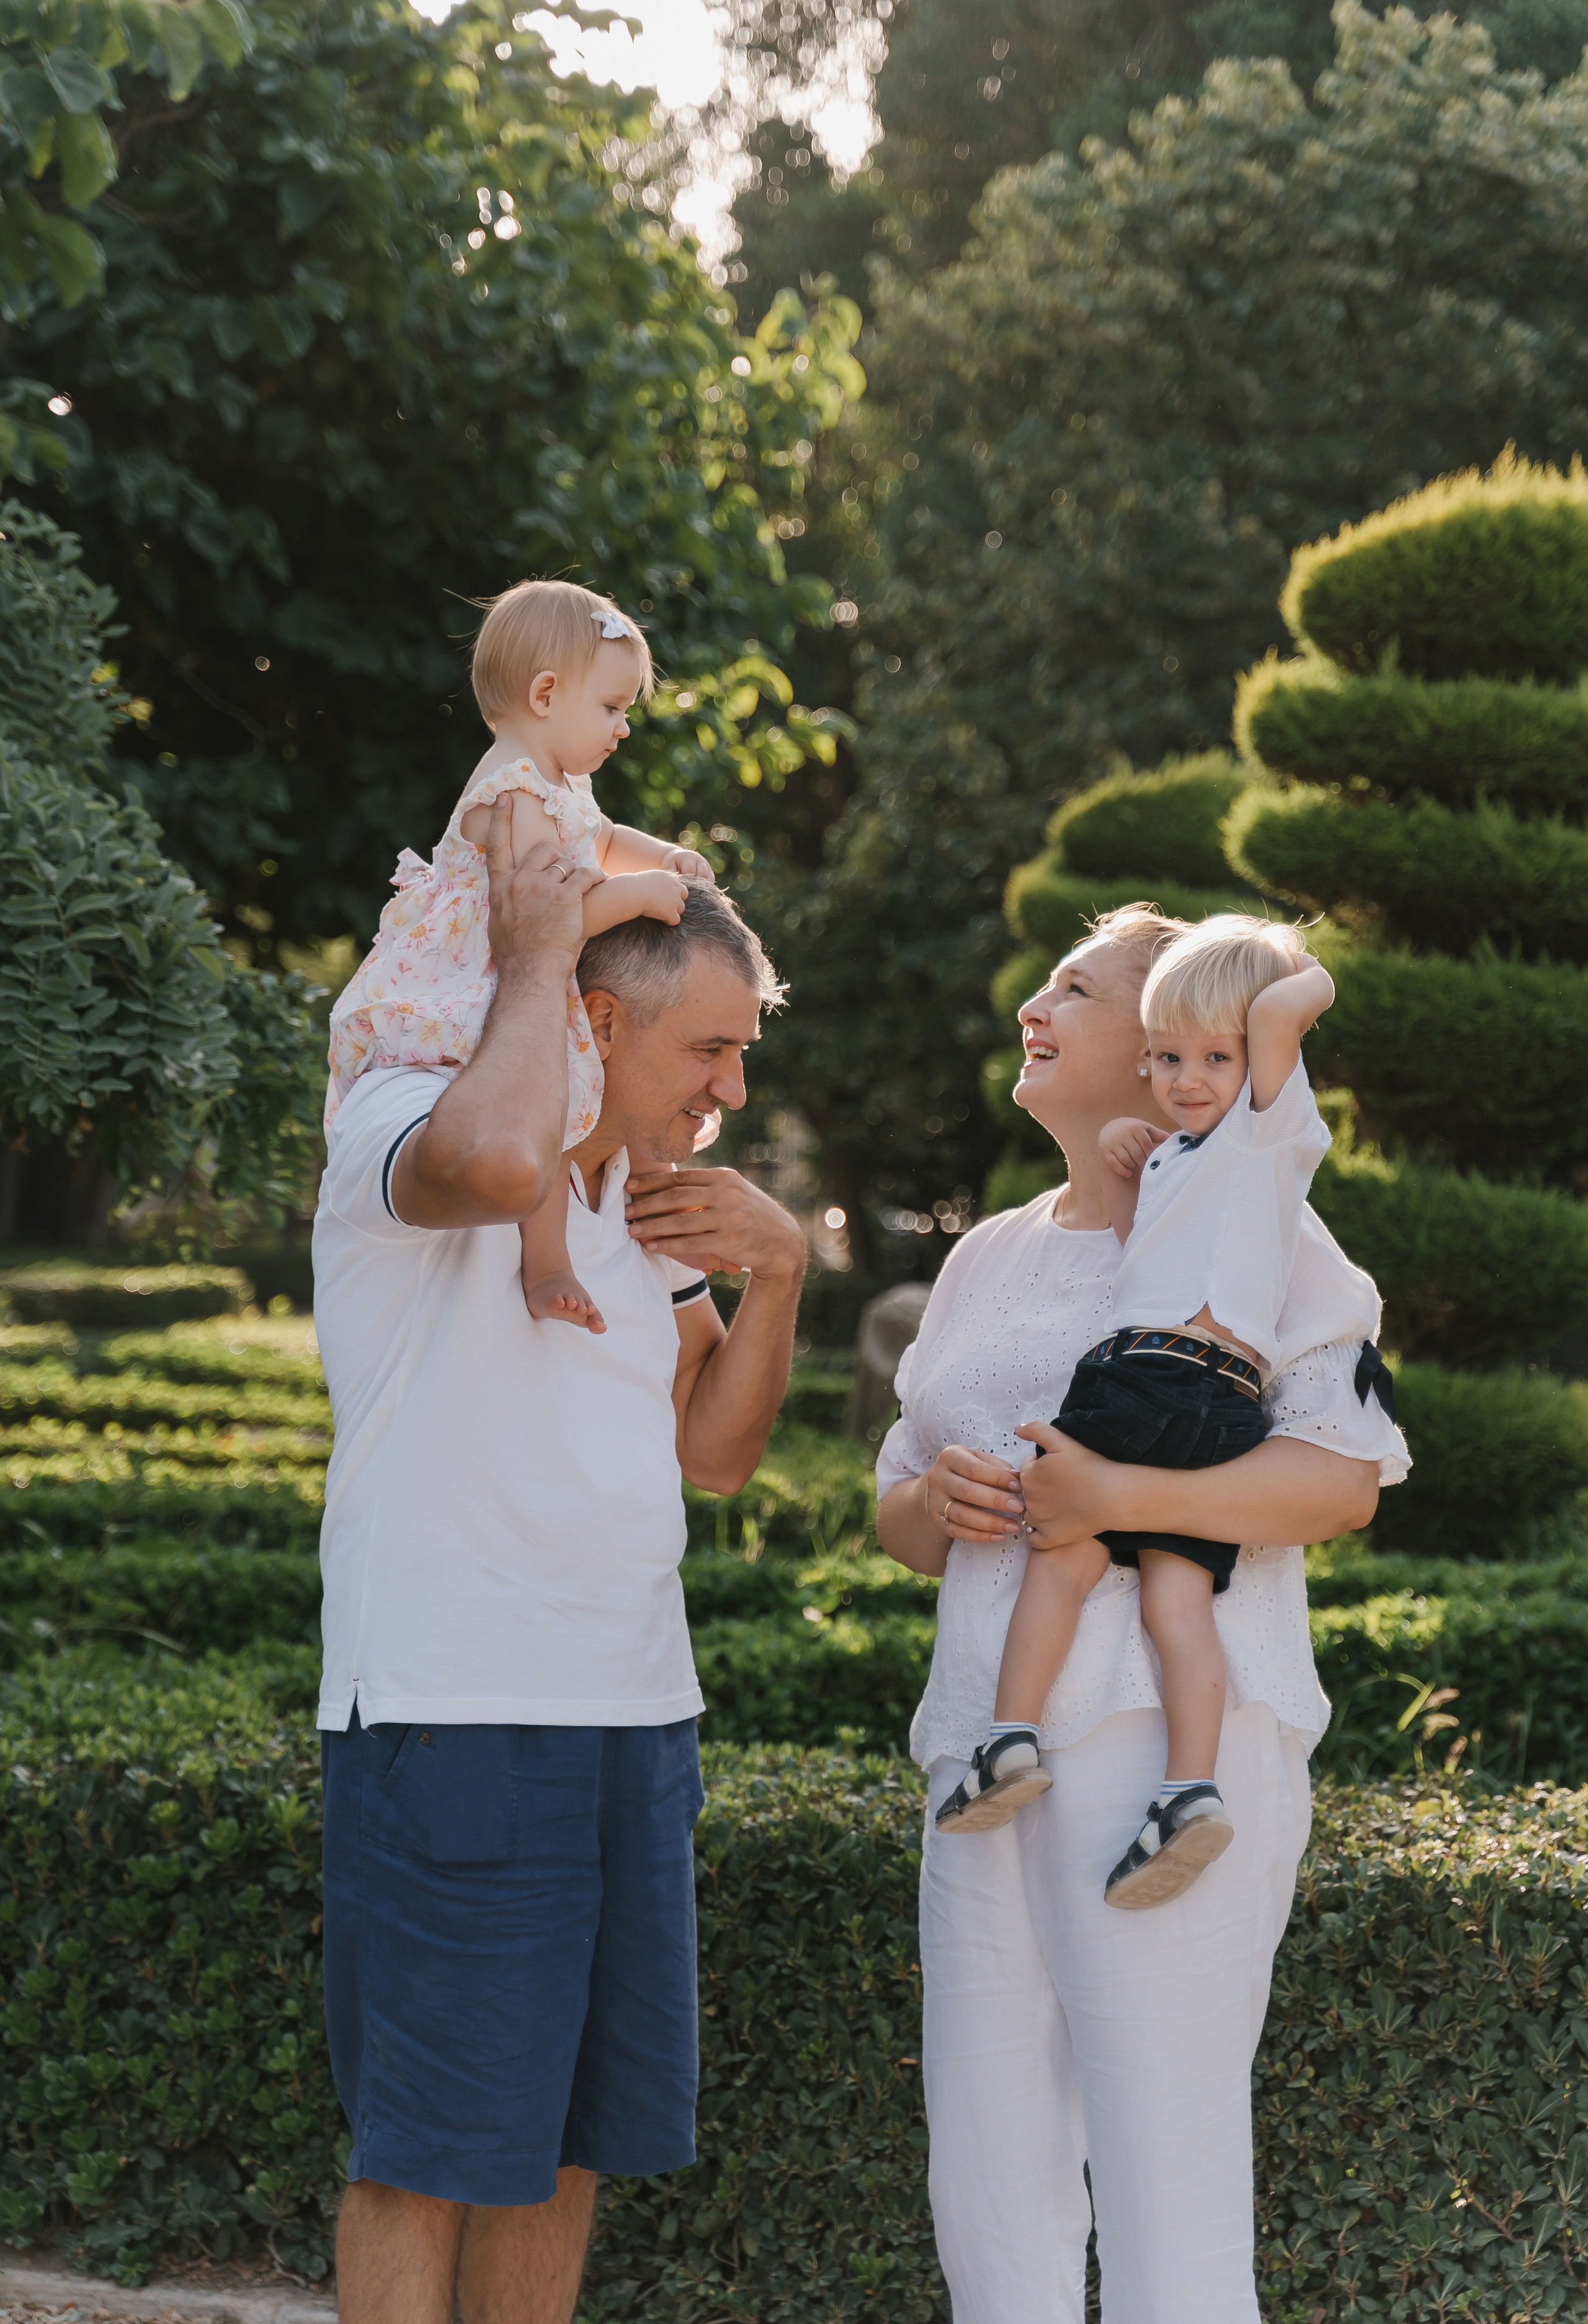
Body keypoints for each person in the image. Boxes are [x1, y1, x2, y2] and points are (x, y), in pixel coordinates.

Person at [875, 902, 1407, 2324]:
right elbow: (894, 1508)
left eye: (1071, 987)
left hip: (1158, 1737)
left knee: (1165, 2178)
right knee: (987, 2179)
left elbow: (1342, 1478)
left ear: (1176, 1036)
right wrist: (938, 1501)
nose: (1030, 1008)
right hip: (981, 1747)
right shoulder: (984, 1254)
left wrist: (1112, 1489)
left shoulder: (1273, 1230)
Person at [313, 812, 807, 2324]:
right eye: (709, 1050)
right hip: (451, 1711)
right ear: (594, 1019)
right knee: (427, 2153)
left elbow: (714, 1452)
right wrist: (534, 953)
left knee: (569, 2143)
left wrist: (779, 1272)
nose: (731, 1089)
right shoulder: (411, 1112)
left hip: (635, 1716)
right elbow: (490, 1155)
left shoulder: (644, 1207)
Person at [935, 917, 1343, 1919]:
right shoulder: (1177, 1166)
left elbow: (1289, 1009)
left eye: (1213, 1057)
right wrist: (1139, 1163)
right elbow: (1151, 1263)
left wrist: (1271, 961)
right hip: (1218, 1398)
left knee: (1064, 1550)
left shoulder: (1271, 1139)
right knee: (1177, 1604)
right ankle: (1188, 1791)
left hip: (1146, 1378)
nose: (1186, 1077)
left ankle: (1009, 1738)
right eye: (1168, 1057)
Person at [325, 577, 718, 1334]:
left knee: (592, 1087)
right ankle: (547, 1264)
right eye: (612, 708)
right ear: (545, 694)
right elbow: (549, 922)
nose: (623, 729)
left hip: (520, 968)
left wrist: (661, 855)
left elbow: (604, 840)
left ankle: (607, 1241)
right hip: (481, 979)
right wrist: (637, 896)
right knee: (550, 1093)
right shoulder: (513, 795)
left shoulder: (558, 785)